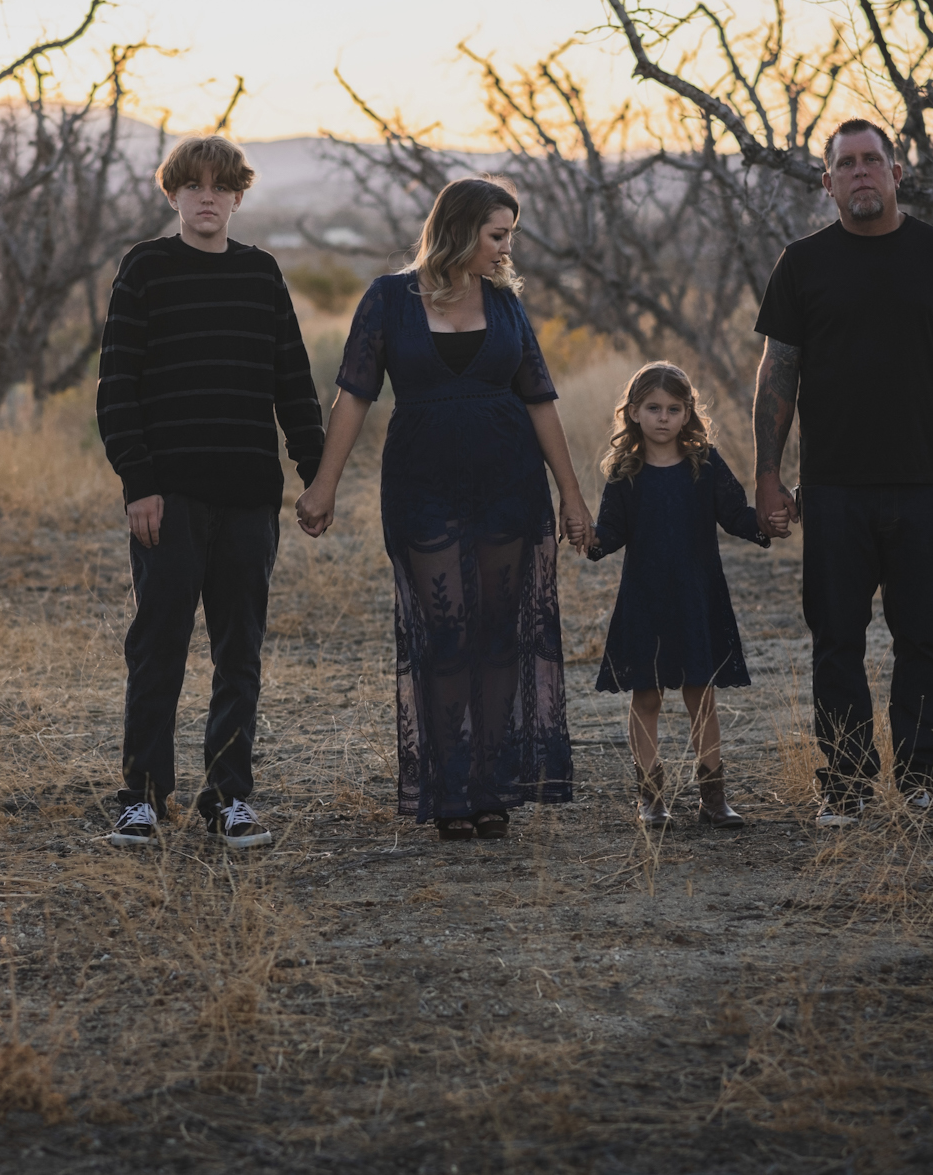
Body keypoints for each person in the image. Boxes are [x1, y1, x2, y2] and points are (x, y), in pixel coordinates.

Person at [294, 177, 590, 840]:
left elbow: (541, 400)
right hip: (422, 484)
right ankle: (450, 784)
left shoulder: (507, 306)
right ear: (459, 229)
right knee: (445, 636)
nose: (505, 247)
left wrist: (571, 496)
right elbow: (353, 397)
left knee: (499, 636)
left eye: (508, 233)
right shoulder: (388, 300)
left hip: (509, 483)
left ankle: (490, 788)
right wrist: (323, 485)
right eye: (497, 234)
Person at [752, 118, 933, 828]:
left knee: (924, 635)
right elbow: (779, 371)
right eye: (846, 164)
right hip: (830, 490)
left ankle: (926, 779)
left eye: (872, 160)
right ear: (827, 183)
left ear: (897, 175)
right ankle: (848, 785)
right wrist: (770, 474)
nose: (861, 173)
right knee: (837, 641)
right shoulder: (801, 264)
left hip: (923, 484)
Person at [95, 135, 325, 850]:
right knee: (158, 643)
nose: (205, 197)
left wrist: (314, 473)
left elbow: (292, 381)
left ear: (237, 195)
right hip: (170, 498)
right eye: (191, 185)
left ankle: (228, 797)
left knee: (239, 650)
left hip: (249, 497)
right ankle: (142, 796)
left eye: (220, 186)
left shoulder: (262, 275)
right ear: (172, 194)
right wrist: (139, 482)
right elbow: (117, 387)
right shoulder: (146, 269)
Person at [586, 362, 782, 829]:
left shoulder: (705, 464)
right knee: (647, 698)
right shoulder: (625, 473)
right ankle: (651, 800)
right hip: (645, 600)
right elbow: (609, 535)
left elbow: (736, 516)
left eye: (674, 409)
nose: (663, 418)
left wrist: (767, 521)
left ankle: (713, 800)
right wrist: (584, 534)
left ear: (687, 413)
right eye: (652, 408)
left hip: (697, 597)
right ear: (632, 412)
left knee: (701, 695)